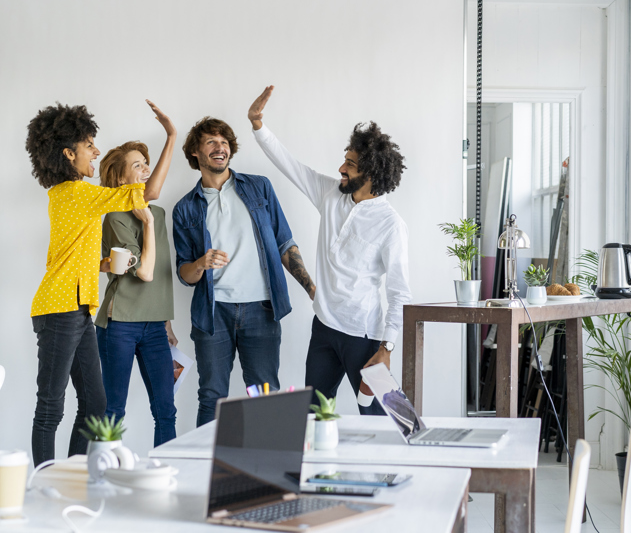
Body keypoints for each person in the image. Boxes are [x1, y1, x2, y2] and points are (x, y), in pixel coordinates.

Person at [247, 85, 411, 415]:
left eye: (350, 164)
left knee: (389, 419)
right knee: (314, 415)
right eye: (344, 160)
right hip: (324, 328)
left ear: (372, 173)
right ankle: (321, 469)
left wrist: (387, 347)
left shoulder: (390, 224)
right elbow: (289, 165)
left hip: (364, 336)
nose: (341, 168)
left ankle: (403, 465)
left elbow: (399, 293)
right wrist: (258, 126)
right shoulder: (330, 194)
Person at [26, 100, 173, 466]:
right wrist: (172, 135)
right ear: (68, 153)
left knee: (96, 405)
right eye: (88, 144)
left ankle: (73, 473)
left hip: (79, 309)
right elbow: (148, 193)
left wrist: (105, 263)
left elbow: (75, 251)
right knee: (51, 405)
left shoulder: (73, 198)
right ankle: (45, 478)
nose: (95, 150)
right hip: (59, 309)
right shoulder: (75, 193)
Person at [173, 116, 315, 427]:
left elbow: (284, 243)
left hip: (261, 309)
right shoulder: (185, 208)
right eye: (211, 141)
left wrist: (312, 289)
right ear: (195, 152)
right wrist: (201, 263)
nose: (220, 147)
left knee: (265, 394)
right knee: (212, 396)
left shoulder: (259, 187)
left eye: (224, 142)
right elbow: (184, 275)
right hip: (214, 315)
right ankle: (205, 471)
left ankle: (270, 469)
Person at [95, 105, 178, 447]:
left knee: (166, 409)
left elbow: (161, 274)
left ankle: (166, 473)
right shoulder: (115, 217)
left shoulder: (155, 211)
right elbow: (144, 272)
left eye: (146, 163)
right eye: (137, 165)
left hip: (155, 325)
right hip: (121, 323)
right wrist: (146, 224)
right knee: (113, 411)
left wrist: (167, 322)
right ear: (120, 178)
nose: (146, 169)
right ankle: (102, 475)